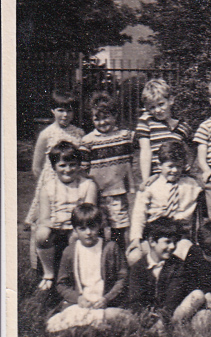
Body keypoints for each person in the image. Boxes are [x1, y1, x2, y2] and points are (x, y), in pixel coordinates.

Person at [46, 204, 130, 333]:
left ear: (99, 226)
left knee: (119, 317)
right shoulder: (70, 251)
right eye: (82, 229)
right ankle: (91, 325)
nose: (88, 233)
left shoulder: (110, 247)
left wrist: (107, 298)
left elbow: (122, 278)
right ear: (75, 230)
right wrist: (78, 298)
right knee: (55, 324)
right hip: (81, 304)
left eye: (92, 227)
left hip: (105, 304)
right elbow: (62, 284)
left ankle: (93, 324)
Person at [35, 141, 98, 290]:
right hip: (56, 227)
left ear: (79, 165)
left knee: (76, 237)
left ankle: (71, 278)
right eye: (62, 165)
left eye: (72, 164)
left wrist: (75, 228)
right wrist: (53, 225)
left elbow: (89, 215)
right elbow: (44, 218)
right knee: (41, 234)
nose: (68, 170)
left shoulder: (87, 185)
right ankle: (48, 273)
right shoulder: (48, 188)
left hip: (78, 227)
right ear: (54, 167)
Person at [128, 141, 202, 265]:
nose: (174, 170)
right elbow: (138, 214)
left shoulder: (192, 185)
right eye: (170, 166)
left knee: (188, 255)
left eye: (179, 166)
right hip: (155, 235)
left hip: (180, 236)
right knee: (134, 256)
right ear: (160, 165)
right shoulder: (150, 186)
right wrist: (136, 239)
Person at [79, 92, 135, 246]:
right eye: (97, 119)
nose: (102, 122)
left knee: (119, 230)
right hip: (96, 194)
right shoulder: (87, 141)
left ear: (115, 115)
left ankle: (119, 262)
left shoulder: (125, 136)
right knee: (98, 230)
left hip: (118, 193)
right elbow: (83, 170)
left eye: (106, 117)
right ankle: (101, 261)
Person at [25, 90, 85, 232]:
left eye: (69, 111)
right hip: (51, 181)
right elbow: (36, 166)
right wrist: (46, 184)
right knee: (45, 221)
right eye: (60, 110)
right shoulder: (46, 134)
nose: (65, 115)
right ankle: (39, 250)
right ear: (53, 110)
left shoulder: (79, 133)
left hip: (71, 179)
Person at [127, 217, 202, 325]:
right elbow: (135, 300)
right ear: (152, 241)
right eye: (167, 242)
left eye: (175, 242)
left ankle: (166, 328)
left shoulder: (178, 266)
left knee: (196, 296)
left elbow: (172, 300)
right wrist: (146, 317)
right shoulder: (138, 267)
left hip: (170, 315)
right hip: (145, 317)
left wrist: (161, 318)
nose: (172, 246)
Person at [134, 78, 193, 181]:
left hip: (178, 175)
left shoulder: (182, 126)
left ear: (170, 100)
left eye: (161, 104)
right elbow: (145, 150)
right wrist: (146, 179)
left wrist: (189, 163)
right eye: (152, 107)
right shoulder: (146, 121)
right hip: (157, 176)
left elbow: (193, 147)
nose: (157, 110)